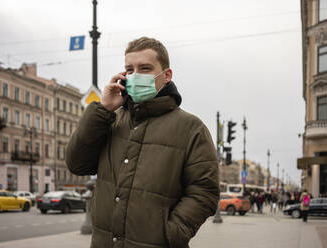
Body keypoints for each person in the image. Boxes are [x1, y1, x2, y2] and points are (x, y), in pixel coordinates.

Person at [66, 37, 220, 248]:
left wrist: (170, 234)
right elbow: (77, 164)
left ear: (166, 75)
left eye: (145, 68)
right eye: (129, 70)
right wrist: (103, 109)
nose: (135, 75)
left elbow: (205, 192)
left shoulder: (191, 128)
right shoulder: (111, 120)